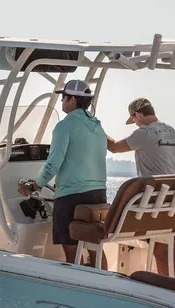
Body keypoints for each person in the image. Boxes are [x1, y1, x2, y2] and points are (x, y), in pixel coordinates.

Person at [18, 80, 108, 267]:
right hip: (99, 194)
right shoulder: (98, 127)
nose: (61, 102)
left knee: (71, 248)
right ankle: (102, 281)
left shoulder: (64, 126)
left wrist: (34, 186)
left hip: (71, 196)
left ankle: (78, 285)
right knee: (95, 246)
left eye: (63, 98)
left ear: (72, 99)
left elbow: (53, 164)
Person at [106, 97, 175, 278]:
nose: (135, 124)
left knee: (159, 248)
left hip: (155, 202)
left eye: (133, 120)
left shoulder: (144, 132)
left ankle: (164, 289)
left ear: (138, 115)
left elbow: (113, 148)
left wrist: (97, 129)